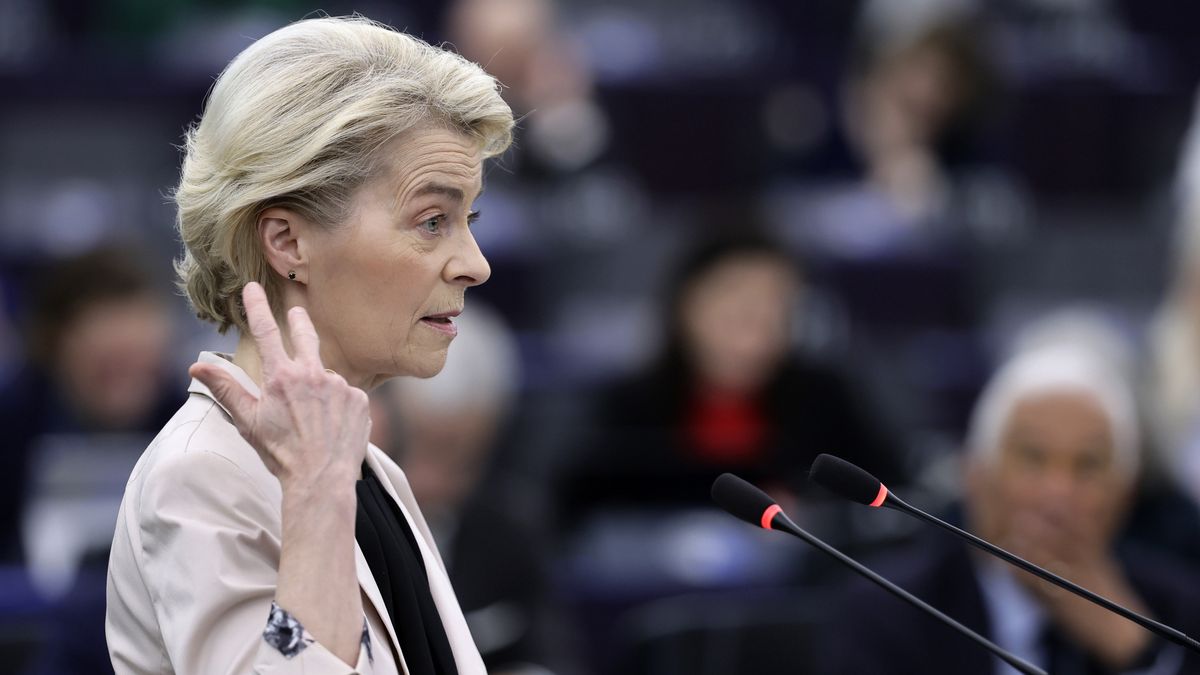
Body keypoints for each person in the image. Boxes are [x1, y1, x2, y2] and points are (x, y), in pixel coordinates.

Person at [105, 16, 513, 675]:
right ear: (289, 243)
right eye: (433, 220)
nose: (474, 262)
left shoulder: (367, 466)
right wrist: (320, 491)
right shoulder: (201, 476)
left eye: (469, 219)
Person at [822, 341, 1200, 675]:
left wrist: (1136, 654)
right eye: (1032, 458)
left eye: (1087, 466)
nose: (1058, 492)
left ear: (1125, 494)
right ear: (976, 475)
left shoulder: (1177, 612)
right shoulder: (891, 610)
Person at [563, 230, 906, 518]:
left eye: (774, 302)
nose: (756, 316)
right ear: (687, 306)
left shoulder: (825, 398)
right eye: (736, 299)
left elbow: (886, 497)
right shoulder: (630, 406)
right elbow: (582, 512)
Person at [373, 304, 570, 675]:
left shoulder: (508, 529)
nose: (433, 482)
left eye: (463, 461)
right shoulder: (330, 521)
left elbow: (550, 651)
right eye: (416, 450)